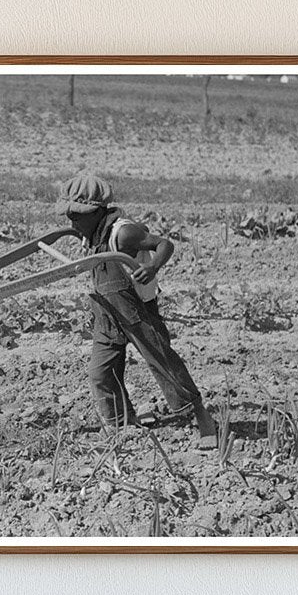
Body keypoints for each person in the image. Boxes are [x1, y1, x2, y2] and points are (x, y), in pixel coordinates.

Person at [56, 173, 216, 438]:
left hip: (137, 313)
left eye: (76, 216)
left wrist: (152, 266)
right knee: (101, 373)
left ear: (96, 211)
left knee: (162, 363)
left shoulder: (124, 233)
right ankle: (121, 425)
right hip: (107, 313)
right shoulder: (92, 232)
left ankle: (200, 417)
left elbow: (164, 243)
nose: (71, 222)